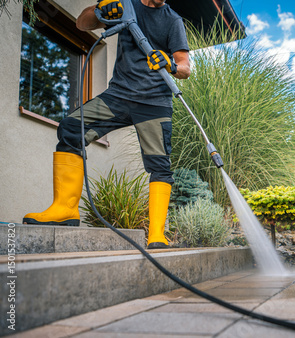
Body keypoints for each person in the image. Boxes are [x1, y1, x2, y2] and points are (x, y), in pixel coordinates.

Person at [23, 0, 190, 249]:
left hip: (155, 102)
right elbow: (82, 23)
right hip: (119, 96)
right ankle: (65, 209)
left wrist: (170, 62)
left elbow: (185, 67)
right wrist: (100, 9)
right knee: (71, 128)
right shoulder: (126, 5)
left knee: (159, 164)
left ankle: (156, 234)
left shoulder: (173, 20)